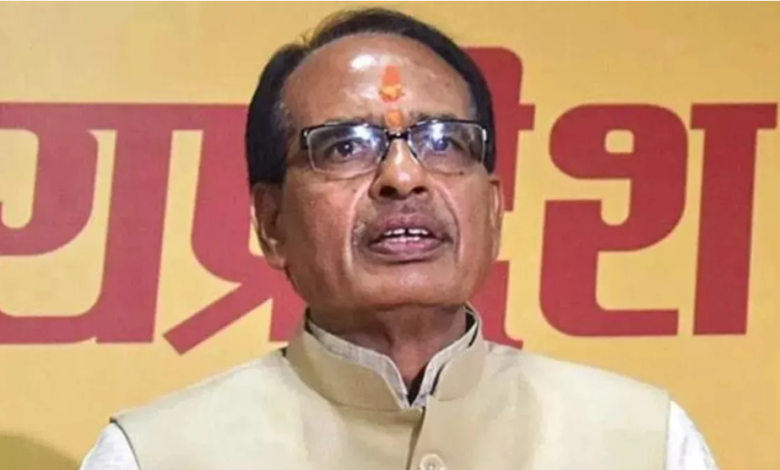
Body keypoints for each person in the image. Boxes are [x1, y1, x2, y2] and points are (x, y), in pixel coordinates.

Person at [80, 8, 718, 470]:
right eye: (344, 146)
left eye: (443, 142)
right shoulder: (156, 455)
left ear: (493, 208)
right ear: (271, 224)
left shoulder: (646, 442)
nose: (403, 176)